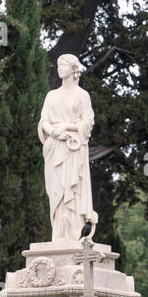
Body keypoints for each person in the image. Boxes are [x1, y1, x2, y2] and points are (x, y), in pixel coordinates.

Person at [38, 54, 97, 243]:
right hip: (54, 148)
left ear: (73, 69)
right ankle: (59, 234)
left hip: (73, 148)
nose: (59, 68)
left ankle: (74, 234)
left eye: (62, 65)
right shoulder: (51, 95)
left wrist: (66, 127)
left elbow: (88, 122)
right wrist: (54, 132)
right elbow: (44, 121)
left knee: (72, 190)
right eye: (58, 65)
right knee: (56, 192)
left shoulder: (83, 95)